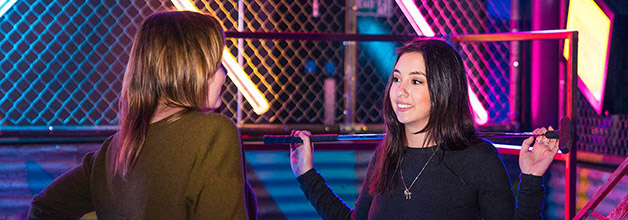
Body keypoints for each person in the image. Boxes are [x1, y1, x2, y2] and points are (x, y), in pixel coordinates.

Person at [289, 39, 559, 219]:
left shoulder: (479, 159)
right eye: (397, 78)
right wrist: (306, 174)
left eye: (416, 81)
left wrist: (532, 178)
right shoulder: (387, 154)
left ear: (443, 90)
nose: (400, 91)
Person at [27, 11, 257, 219]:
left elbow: (44, 209)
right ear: (191, 69)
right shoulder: (214, 134)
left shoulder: (113, 152)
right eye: (217, 63)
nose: (224, 74)